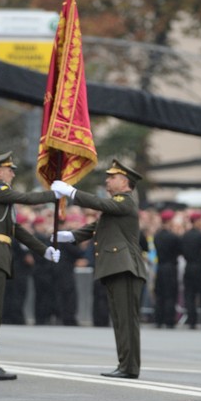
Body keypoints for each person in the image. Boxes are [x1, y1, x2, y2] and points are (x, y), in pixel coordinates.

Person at [52, 159, 148, 379]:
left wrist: (72, 193)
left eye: (112, 177)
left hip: (125, 268)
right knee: (121, 320)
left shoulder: (125, 201)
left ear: (125, 182)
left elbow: (100, 204)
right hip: (117, 267)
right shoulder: (117, 205)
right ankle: (126, 365)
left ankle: (129, 367)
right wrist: (71, 236)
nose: (107, 180)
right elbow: (97, 226)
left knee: (125, 321)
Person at [0, 151, 60, 380]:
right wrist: (53, 194)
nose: (12, 173)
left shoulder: (0, 198)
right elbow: (26, 198)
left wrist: (44, 250)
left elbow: (17, 230)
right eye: (9, 169)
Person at [181, 210, 201, 329]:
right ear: (197, 221)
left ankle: (191, 321)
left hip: (188, 266)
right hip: (199, 266)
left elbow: (182, 251)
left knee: (189, 294)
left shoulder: (185, 235)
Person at [153, 209, 181, 328]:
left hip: (160, 266)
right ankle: (169, 320)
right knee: (170, 294)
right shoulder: (173, 237)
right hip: (170, 267)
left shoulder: (157, 236)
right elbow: (179, 251)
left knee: (160, 294)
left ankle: (158, 319)